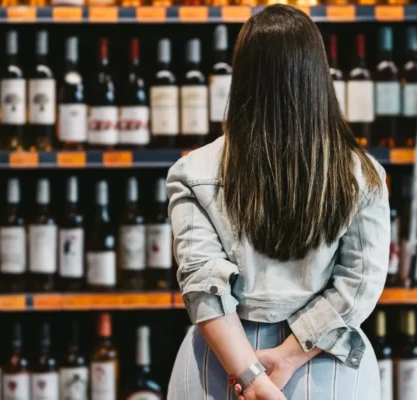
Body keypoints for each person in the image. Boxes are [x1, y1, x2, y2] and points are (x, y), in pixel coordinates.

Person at [166, 5, 389, 400]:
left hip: (217, 364)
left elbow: (203, 286)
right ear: (317, 76)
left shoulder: (192, 170)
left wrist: (250, 377)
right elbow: (359, 285)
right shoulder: (363, 173)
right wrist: (287, 356)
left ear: (242, 75)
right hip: (327, 366)